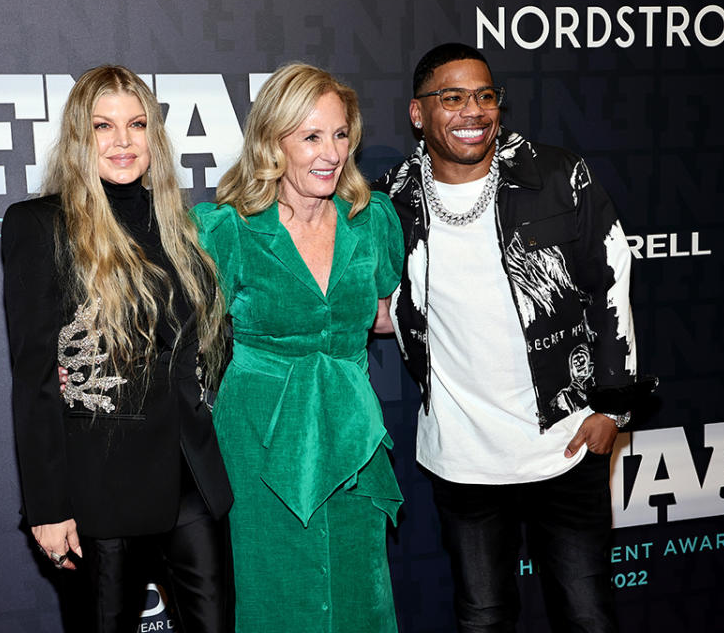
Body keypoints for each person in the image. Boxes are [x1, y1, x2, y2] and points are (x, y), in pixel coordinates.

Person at [372, 43, 657, 632]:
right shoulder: (390, 201)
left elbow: (612, 279)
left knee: (586, 616)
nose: (472, 110)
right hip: (463, 456)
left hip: (564, 444)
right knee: (483, 617)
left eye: (484, 96)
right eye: (452, 97)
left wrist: (613, 406)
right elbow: (375, 298)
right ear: (417, 113)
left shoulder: (555, 175)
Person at [1, 64, 234, 633]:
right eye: (104, 126)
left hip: (190, 480)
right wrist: (48, 508)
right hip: (100, 490)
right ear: (80, 136)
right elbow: (33, 379)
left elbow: (205, 342)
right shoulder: (40, 225)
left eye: (137, 125)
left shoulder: (179, 224)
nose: (123, 142)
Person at [190, 63, 404, 633]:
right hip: (260, 435)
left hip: (350, 430)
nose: (330, 152)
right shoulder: (228, 230)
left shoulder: (371, 222)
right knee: (273, 585)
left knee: (360, 582)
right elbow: (177, 327)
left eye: (339, 135)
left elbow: (386, 314)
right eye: (310, 136)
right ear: (272, 143)